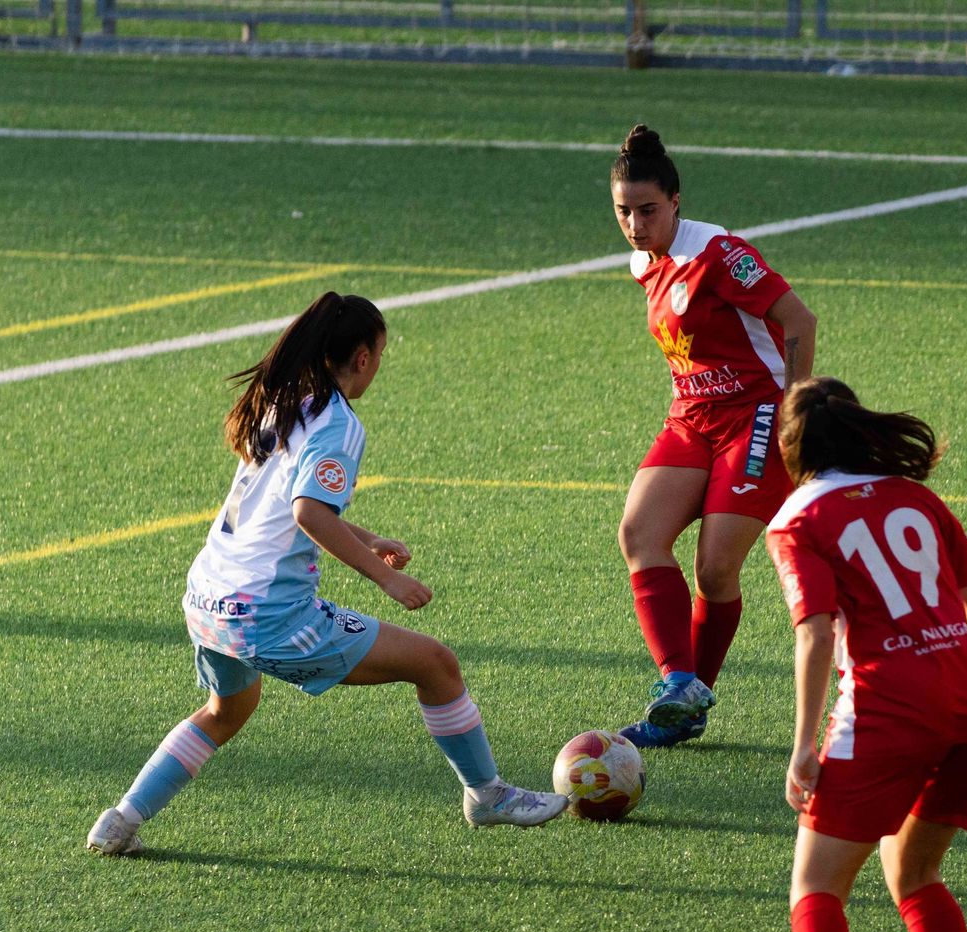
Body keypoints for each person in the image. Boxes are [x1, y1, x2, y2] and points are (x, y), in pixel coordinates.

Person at [86, 292, 566, 856]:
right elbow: (307, 512)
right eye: (381, 355)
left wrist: (367, 537)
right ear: (361, 357)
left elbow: (280, 504)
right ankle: (487, 795)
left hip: (207, 598)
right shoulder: (337, 423)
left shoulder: (282, 400)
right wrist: (385, 579)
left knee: (226, 710)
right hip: (266, 614)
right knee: (436, 664)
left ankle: (119, 821)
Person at [765, 377, 967, 932]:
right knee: (916, 874)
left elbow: (812, 632)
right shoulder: (916, 499)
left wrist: (803, 745)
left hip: (887, 705)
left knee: (815, 883)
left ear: (790, 449)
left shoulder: (797, 521)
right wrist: (961, 680)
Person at [609, 123, 818, 748]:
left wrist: (796, 412)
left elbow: (797, 318)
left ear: (676, 202)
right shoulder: (642, 261)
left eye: (648, 211)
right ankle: (680, 687)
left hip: (756, 413)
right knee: (639, 535)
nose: (636, 225)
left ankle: (688, 698)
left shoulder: (718, 252)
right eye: (623, 212)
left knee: (716, 566)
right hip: (691, 417)